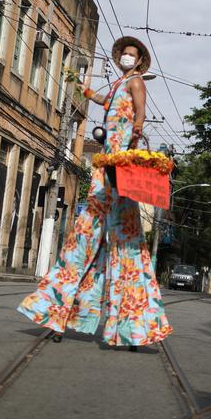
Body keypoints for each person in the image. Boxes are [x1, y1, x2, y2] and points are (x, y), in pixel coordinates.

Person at [17, 36, 173, 349]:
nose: (127, 57)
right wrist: (83, 89)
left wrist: (134, 138)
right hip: (106, 166)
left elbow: (140, 114)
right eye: (124, 53)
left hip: (120, 167)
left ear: (139, 60)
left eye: (132, 54)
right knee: (84, 242)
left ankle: (131, 327)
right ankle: (61, 315)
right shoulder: (118, 84)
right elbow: (105, 101)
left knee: (124, 245)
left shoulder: (136, 82)